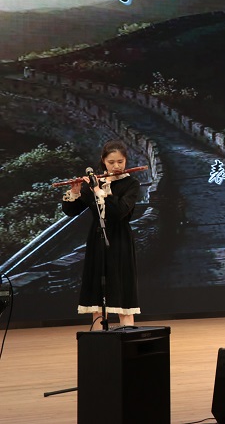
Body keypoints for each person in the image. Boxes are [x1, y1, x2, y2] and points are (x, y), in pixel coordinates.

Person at [62, 140, 141, 329]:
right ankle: (98, 339)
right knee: (97, 294)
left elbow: (119, 212)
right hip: (97, 239)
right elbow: (71, 211)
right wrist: (75, 192)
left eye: (120, 162)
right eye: (111, 162)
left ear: (126, 160)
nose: (116, 166)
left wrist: (99, 191)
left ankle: (127, 335)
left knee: (122, 290)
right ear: (103, 161)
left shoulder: (131, 184)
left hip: (119, 239)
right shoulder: (94, 183)